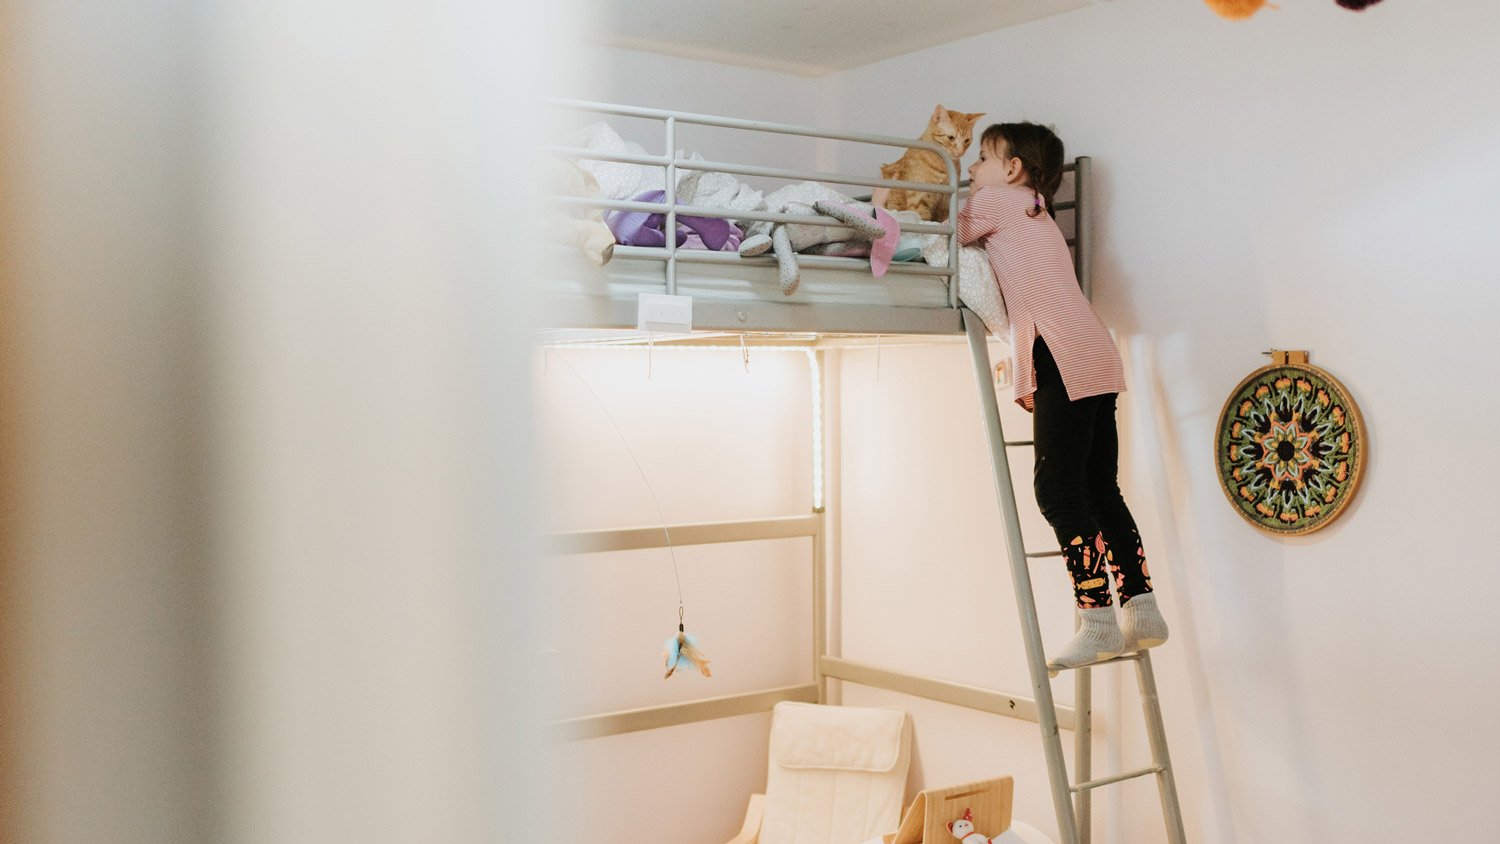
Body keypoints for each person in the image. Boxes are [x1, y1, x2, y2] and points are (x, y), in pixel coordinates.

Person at [957, 122, 1168, 672]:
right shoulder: (1034, 209)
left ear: (1012, 169)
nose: (971, 170)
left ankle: (1096, 620)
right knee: (1099, 487)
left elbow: (950, 233)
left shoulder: (997, 201)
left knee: (1055, 488)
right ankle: (1142, 611)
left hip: (1060, 350)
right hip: (1093, 346)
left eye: (982, 158)